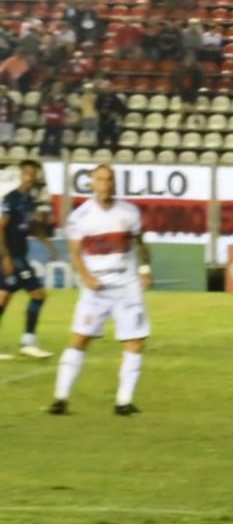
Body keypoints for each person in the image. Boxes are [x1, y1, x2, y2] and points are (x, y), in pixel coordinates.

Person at [48, 163, 152, 416]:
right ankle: (60, 398)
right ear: (91, 183)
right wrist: (86, 277)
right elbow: (74, 253)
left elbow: (141, 243)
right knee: (80, 339)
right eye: (100, 179)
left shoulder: (129, 212)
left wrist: (145, 269)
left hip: (126, 287)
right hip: (96, 289)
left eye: (109, 180)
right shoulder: (80, 217)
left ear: (114, 183)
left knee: (135, 341)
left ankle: (123, 402)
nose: (105, 184)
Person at [0, 158, 57, 359]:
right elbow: (1, 228)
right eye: (28, 174)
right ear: (21, 175)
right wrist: (5, 257)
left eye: (34, 175)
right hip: (13, 256)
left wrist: (48, 244)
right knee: (38, 295)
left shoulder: (29, 200)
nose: (31, 179)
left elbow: (32, 226)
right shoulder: (11, 199)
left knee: (3, 298)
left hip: (19, 254)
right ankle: (28, 342)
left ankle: (27, 342)